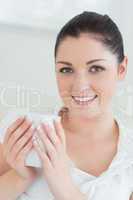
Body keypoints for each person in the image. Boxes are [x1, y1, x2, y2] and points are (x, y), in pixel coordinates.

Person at [0, 11, 133, 200]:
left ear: (121, 69)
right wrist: (20, 177)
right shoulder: (25, 131)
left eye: (95, 68)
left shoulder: (129, 157)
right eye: (66, 69)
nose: (79, 85)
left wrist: (63, 186)